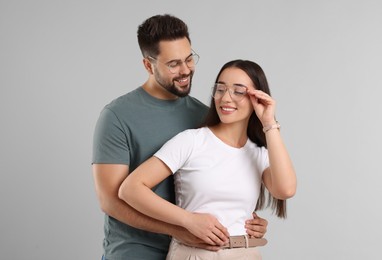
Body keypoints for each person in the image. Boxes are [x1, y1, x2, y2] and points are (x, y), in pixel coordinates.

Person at [92, 14, 268, 260]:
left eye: (189, 59)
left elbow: (224, 178)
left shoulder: (205, 114)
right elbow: (110, 201)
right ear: (148, 65)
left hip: (196, 250)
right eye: (173, 64)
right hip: (135, 251)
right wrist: (180, 228)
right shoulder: (117, 116)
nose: (186, 70)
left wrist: (246, 222)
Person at [119, 59, 297, 259]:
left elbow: (286, 190)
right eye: (220, 89)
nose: (225, 98)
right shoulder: (192, 141)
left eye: (238, 91)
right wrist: (188, 220)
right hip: (196, 253)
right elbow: (130, 189)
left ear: (257, 98)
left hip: (246, 253)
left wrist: (269, 122)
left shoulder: (259, 153)